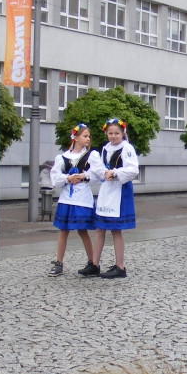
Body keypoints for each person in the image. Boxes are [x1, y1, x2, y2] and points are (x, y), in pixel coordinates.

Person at [88, 118, 140, 279]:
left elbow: (133, 170)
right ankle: (94, 264)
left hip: (120, 190)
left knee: (116, 229)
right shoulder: (105, 149)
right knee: (99, 228)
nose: (113, 136)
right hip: (107, 190)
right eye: (110, 133)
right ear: (106, 133)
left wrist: (115, 173)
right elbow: (99, 169)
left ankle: (120, 266)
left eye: (116, 133)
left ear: (123, 133)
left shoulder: (126, 148)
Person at [48, 122, 98, 277]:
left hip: (82, 198)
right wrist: (68, 178)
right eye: (85, 136)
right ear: (75, 138)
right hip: (67, 199)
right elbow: (55, 177)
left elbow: (97, 174)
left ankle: (93, 263)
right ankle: (59, 263)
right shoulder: (62, 157)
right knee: (64, 230)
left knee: (83, 230)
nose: (88, 138)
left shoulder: (91, 156)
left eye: (89, 136)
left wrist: (83, 175)